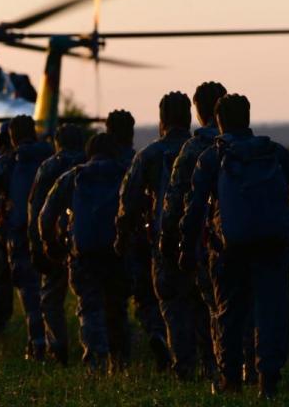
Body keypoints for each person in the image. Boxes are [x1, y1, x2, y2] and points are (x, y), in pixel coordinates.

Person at [180, 94, 289, 398]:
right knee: (272, 312)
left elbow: (194, 209)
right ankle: (268, 381)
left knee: (229, 313)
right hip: (273, 246)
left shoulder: (211, 158)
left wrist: (186, 249)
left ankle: (230, 381)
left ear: (219, 122)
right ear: (248, 118)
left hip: (227, 249)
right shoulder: (275, 152)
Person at [114, 92, 192, 378]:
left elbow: (128, 200)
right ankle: (213, 364)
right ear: (189, 117)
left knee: (171, 304)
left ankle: (181, 364)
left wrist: (122, 236)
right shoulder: (205, 150)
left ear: (162, 120)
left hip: (164, 241)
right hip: (205, 241)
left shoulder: (149, 155)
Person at [41, 133, 130, 374]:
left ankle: (95, 362)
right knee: (117, 308)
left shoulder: (73, 176)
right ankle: (120, 364)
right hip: (116, 253)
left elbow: (46, 215)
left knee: (90, 309)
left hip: (84, 254)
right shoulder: (125, 174)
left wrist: (50, 243)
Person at [159, 82, 229, 381]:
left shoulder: (193, 149)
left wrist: (168, 237)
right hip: (242, 238)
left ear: (198, 111)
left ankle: (202, 368)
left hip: (205, 241)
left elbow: (175, 199)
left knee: (203, 306)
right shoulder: (242, 145)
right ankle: (243, 368)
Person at [0, 115, 53, 360]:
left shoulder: (6, 163)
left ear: (12, 137)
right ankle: (57, 342)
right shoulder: (52, 158)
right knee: (52, 291)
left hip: (19, 235)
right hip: (52, 236)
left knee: (29, 292)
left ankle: (37, 343)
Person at [107, 109, 170, 370]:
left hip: (115, 240)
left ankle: (119, 358)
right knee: (147, 296)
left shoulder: (101, 164)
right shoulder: (141, 158)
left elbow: (126, 201)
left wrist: (120, 235)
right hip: (145, 237)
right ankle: (157, 332)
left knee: (115, 302)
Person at [27, 123, 86, 365]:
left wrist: (38, 244)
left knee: (51, 299)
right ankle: (99, 350)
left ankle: (58, 347)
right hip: (86, 240)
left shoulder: (49, 167)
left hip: (55, 242)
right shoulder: (89, 163)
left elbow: (36, 208)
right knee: (90, 300)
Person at [0, 121, 15, 336]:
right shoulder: (39, 163)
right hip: (31, 232)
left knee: (1, 281)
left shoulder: (1, 164)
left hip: (4, 231)